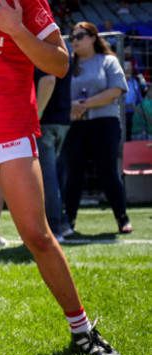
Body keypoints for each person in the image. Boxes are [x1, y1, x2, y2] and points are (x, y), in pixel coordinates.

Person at [0, 0, 123, 355]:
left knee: (37, 235)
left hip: (12, 134)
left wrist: (17, 29)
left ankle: (82, 329)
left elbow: (59, 63)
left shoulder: (25, 3)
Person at [65, 21, 131, 234]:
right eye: (72, 37)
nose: (75, 41)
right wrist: (71, 105)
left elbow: (117, 89)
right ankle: (69, 222)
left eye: (80, 36)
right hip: (75, 125)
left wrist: (83, 104)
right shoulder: (66, 64)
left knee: (108, 171)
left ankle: (122, 219)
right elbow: (59, 94)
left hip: (105, 123)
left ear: (93, 37)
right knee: (73, 173)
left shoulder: (108, 60)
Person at [34, 44, 75, 241]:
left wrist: (37, 115)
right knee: (55, 174)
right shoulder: (62, 46)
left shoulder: (44, 45)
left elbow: (48, 79)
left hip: (46, 121)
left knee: (47, 177)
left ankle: (55, 229)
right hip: (61, 120)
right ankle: (63, 224)